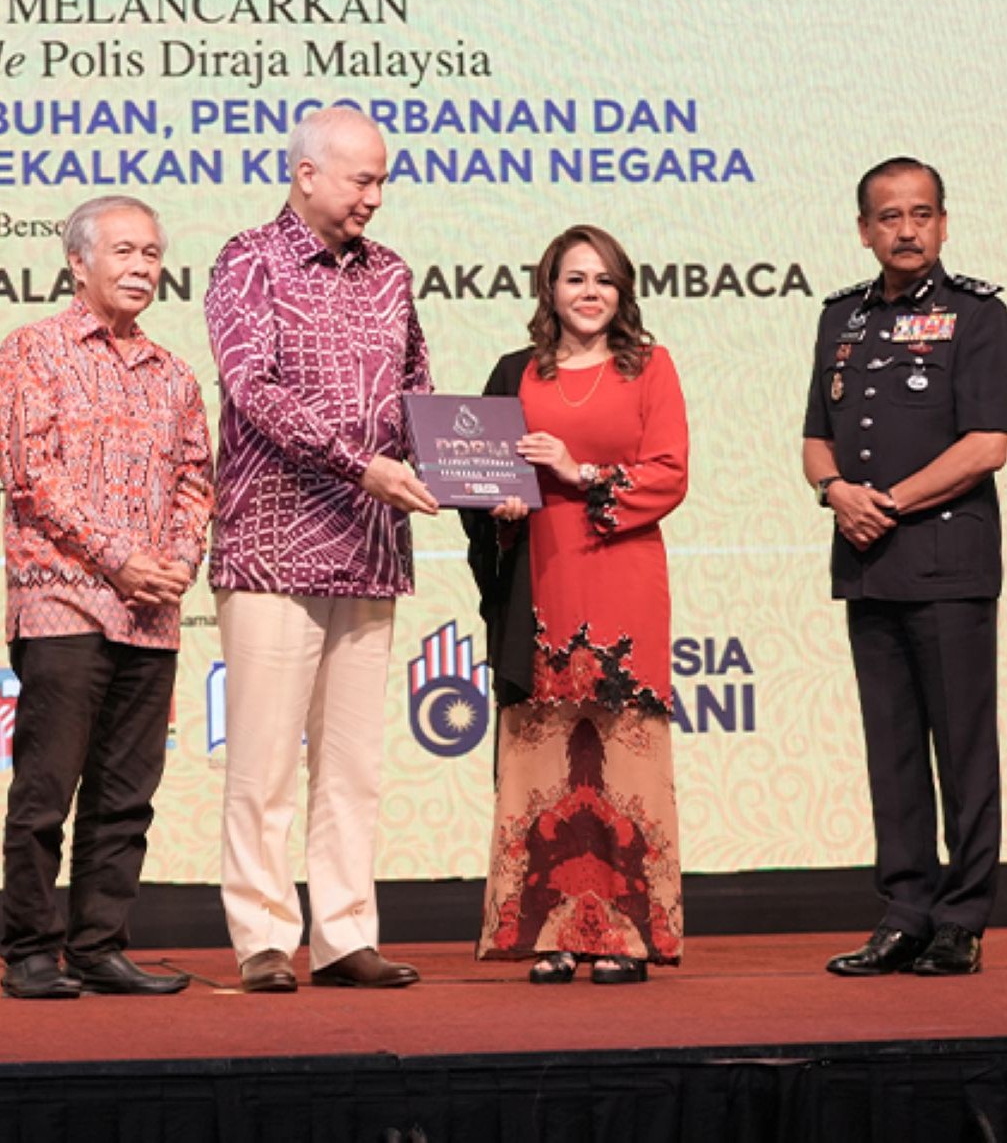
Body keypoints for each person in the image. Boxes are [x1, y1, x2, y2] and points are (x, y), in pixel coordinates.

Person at [205, 104, 437, 995]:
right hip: (273, 545)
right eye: (360, 179)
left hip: (368, 547)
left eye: (382, 181)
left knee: (352, 767)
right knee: (263, 764)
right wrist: (359, 465)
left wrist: (463, 470)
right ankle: (264, 937)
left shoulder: (391, 274)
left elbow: (416, 391)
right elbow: (252, 389)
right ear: (306, 174)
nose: (374, 197)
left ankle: (343, 935)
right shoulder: (248, 261)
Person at [0, 195, 213, 1000]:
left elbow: (196, 481)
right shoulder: (32, 350)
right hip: (64, 602)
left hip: (151, 611)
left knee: (127, 795)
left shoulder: (175, 374)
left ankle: (99, 946)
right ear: (77, 263)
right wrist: (122, 559)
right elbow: (31, 475)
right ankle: (28, 949)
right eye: (123, 252)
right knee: (45, 791)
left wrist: (178, 561)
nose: (140, 267)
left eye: (151, 254)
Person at [465, 224, 688, 984]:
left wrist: (580, 470)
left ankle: (625, 936)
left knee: (621, 752)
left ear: (622, 292)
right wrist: (498, 505)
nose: (590, 293)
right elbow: (483, 476)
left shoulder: (650, 367)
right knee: (544, 752)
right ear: (549, 290)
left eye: (604, 280)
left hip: (622, 574)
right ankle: (552, 933)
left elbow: (669, 474)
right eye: (574, 279)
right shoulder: (516, 374)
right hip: (541, 575)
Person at [803, 156, 1007, 977]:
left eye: (921, 214)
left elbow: (987, 444)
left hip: (946, 563)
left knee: (961, 750)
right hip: (866, 562)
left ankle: (961, 917)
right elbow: (815, 438)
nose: (906, 230)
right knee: (889, 751)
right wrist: (833, 492)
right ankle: (904, 912)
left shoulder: (978, 316)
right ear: (864, 230)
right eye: (888, 217)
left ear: (943, 224)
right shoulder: (840, 319)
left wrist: (883, 502)